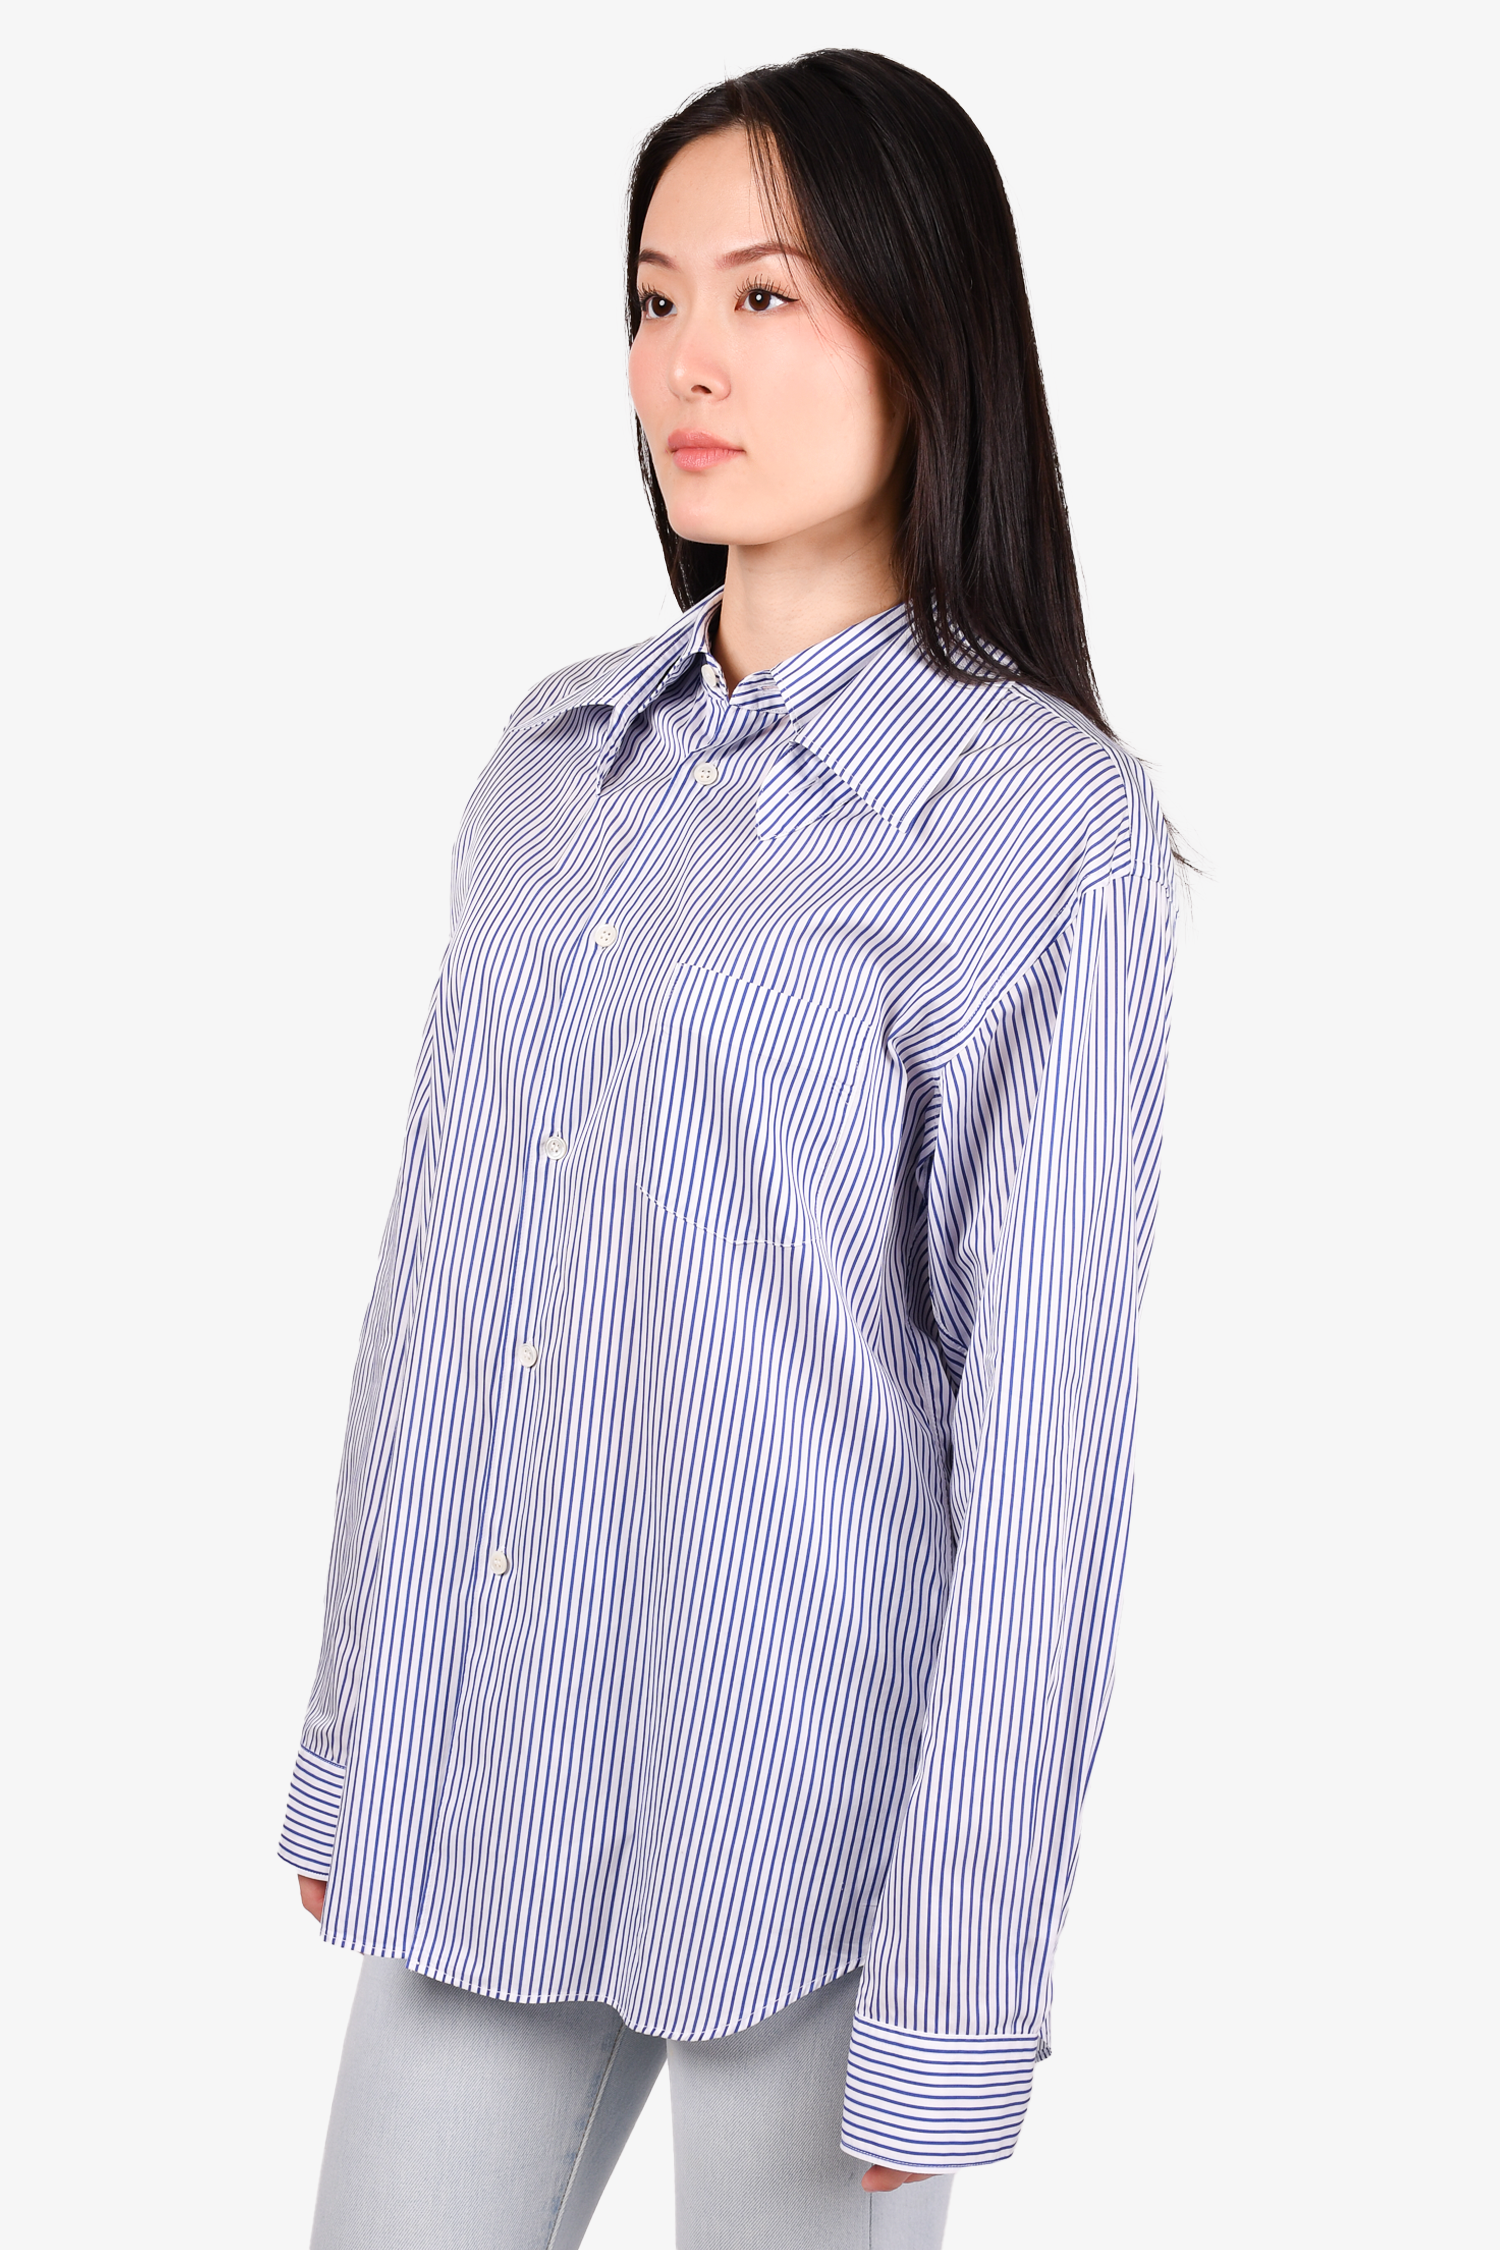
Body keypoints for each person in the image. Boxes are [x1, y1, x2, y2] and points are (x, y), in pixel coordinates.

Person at [280, 47, 1183, 2250]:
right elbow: (440, 1286)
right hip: (496, 1775)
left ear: (925, 330)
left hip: (811, 1837)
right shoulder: (553, 758)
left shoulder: (1035, 824)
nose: (689, 360)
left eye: (767, 295)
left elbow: (1046, 1442)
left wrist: (960, 1977)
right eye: (657, 298)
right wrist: (356, 1732)